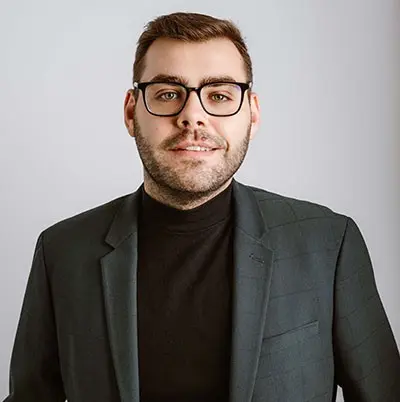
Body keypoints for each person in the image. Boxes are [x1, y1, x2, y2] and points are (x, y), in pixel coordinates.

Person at [3, 11, 400, 402]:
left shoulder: (329, 244)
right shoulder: (63, 252)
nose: (192, 116)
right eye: (168, 94)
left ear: (252, 114)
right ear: (131, 112)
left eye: (219, 95)